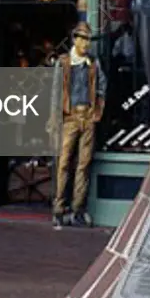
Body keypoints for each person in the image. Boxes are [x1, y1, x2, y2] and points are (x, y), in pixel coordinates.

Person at [50, 21, 107, 229]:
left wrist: (97, 112)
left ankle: (77, 209)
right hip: (69, 118)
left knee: (83, 165)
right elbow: (56, 92)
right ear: (75, 39)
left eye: (88, 40)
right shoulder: (63, 62)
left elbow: (102, 86)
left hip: (88, 118)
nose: (86, 44)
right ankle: (59, 208)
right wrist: (54, 118)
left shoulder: (93, 63)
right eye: (82, 39)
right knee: (64, 163)